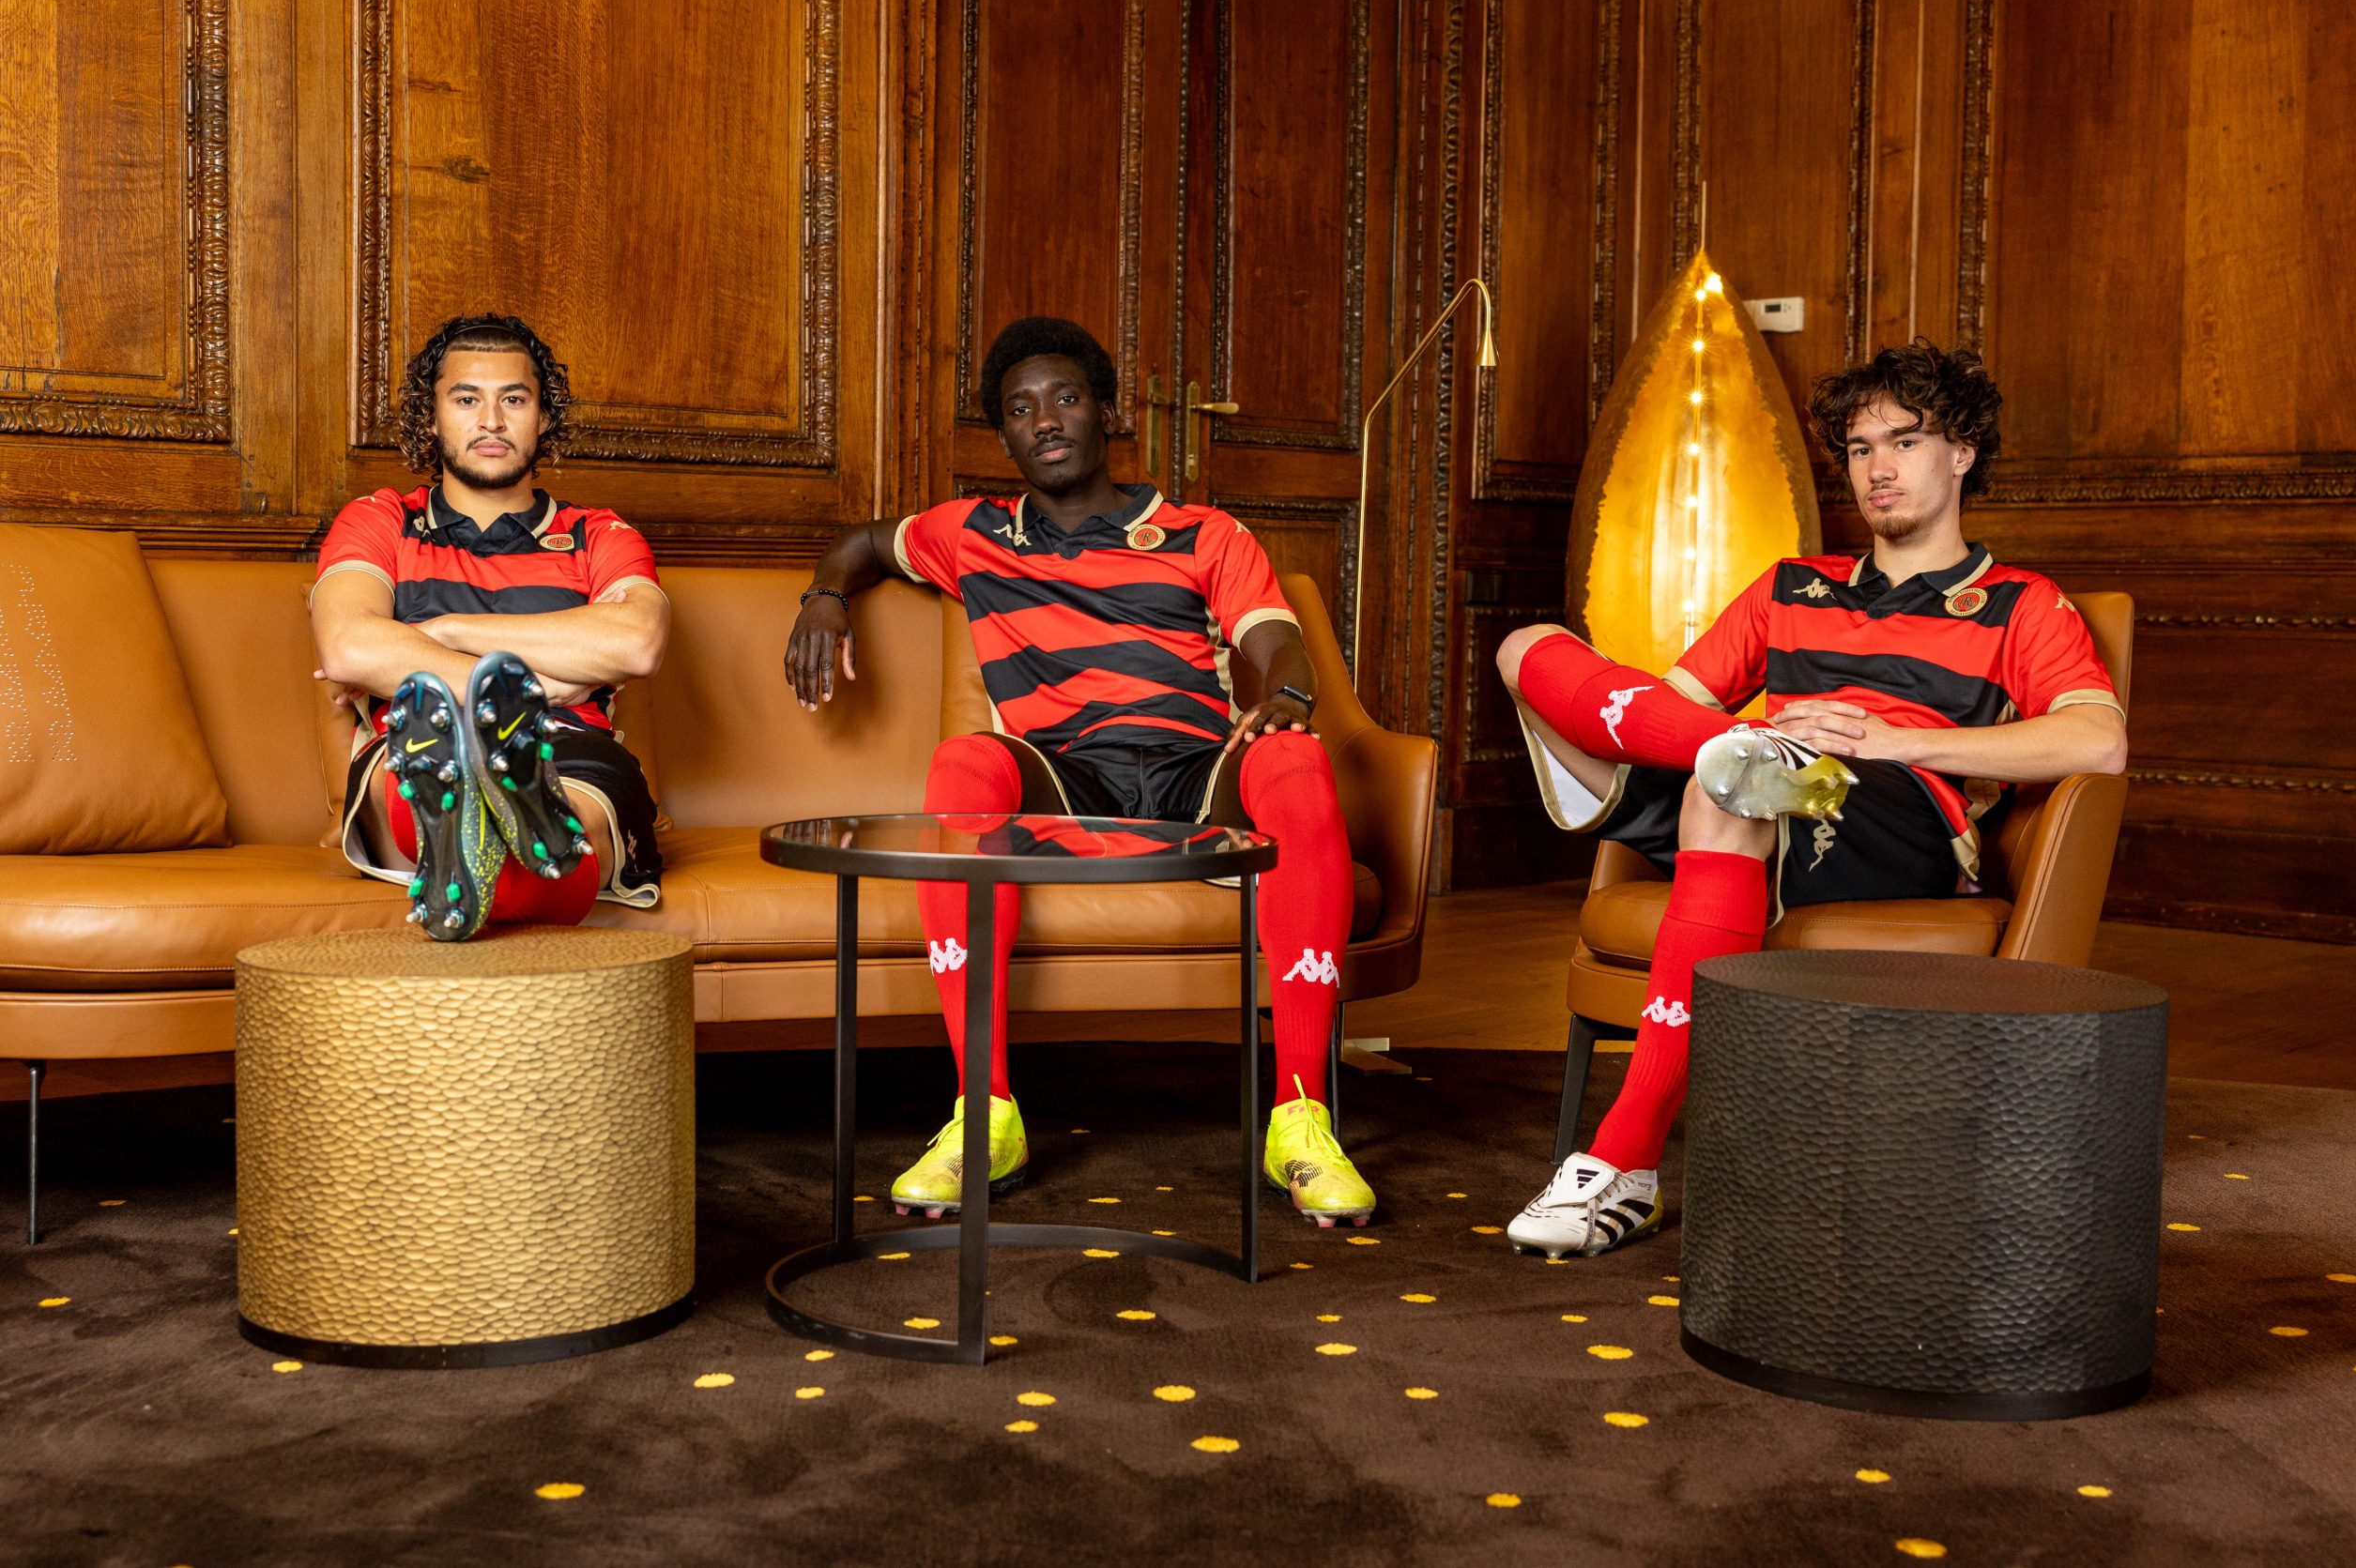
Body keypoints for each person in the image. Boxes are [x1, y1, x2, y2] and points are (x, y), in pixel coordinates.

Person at [1496, 339, 2126, 1256]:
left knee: (1729, 790)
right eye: (1861, 448)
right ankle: (1738, 759)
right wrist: (1742, 742)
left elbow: (2099, 739)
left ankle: (1624, 1158)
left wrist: (1891, 739)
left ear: (1962, 453)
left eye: (1905, 442)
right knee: (1527, 649)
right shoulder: (1792, 586)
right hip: (1744, 779)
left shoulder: (2018, 602)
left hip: (1897, 813)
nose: (1878, 468)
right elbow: (1659, 705)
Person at [783, 315, 1373, 1227]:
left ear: (1105, 410)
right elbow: (863, 544)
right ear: (1004, 437)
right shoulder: (972, 533)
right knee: (964, 761)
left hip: (1196, 773)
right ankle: (985, 1115)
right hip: (1065, 782)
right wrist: (824, 597)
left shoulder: (1200, 531)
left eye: (1064, 398)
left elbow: (1273, 639)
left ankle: (1300, 1117)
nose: (1045, 420)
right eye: (1020, 410)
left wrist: (1291, 696)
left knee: (1293, 758)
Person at [312, 313, 669, 941]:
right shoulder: (380, 519)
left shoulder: (598, 534)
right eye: (466, 399)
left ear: (544, 417)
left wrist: (445, 631)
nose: (492, 421)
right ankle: (487, 806)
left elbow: (637, 641)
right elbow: (348, 645)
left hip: (568, 748)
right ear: (431, 417)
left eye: (514, 399)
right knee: (420, 759)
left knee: (576, 815)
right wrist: (530, 689)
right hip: (422, 737)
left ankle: (507, 819)